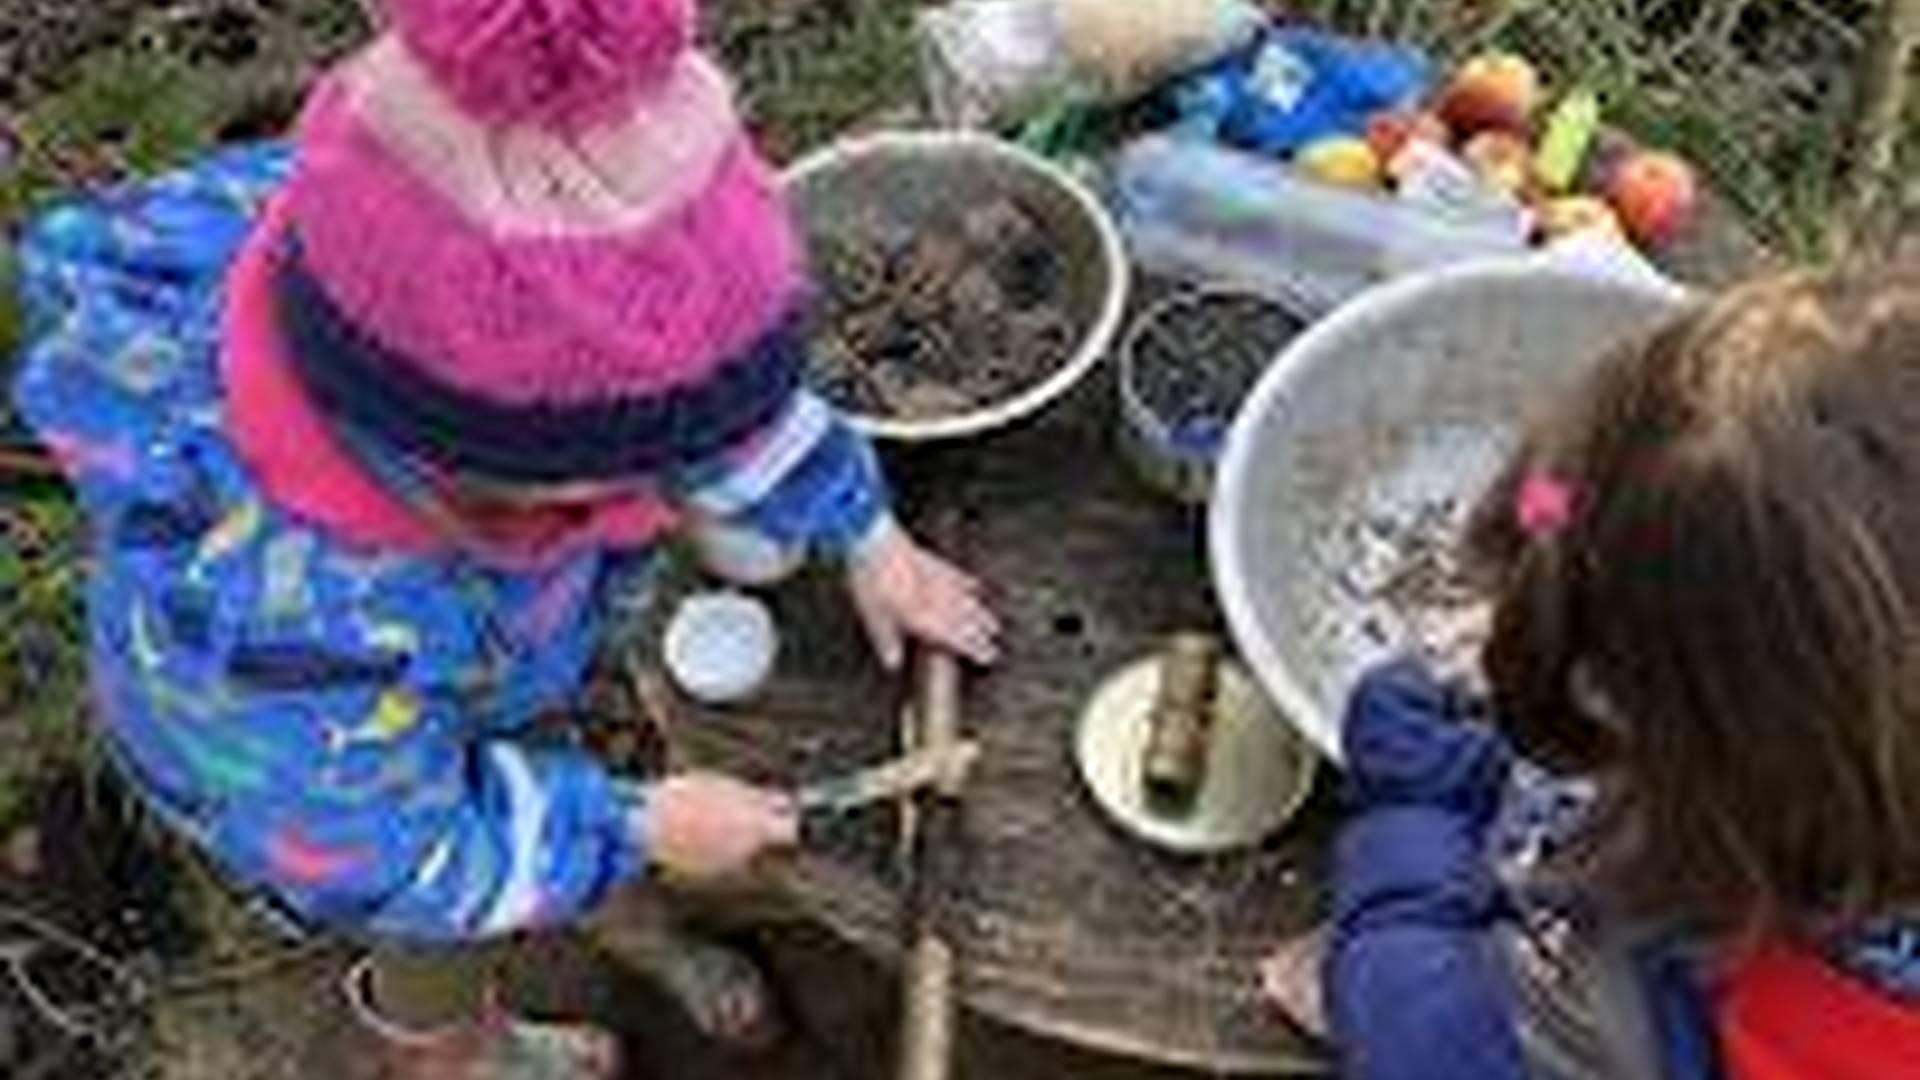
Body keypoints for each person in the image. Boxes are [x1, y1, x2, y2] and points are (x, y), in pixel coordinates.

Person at [9, 0, 999, 1075]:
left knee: (531, 769)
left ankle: (594, 889)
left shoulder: (426, 282)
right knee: (437, 924)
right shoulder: (268, 637)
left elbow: (710, 410)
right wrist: (632, 828)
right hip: (327, 786)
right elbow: (393, 853)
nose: (686, 477)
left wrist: (866, 533)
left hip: (477, 648)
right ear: (497, 473)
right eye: (633, 471)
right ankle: (449, 1046)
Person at [1262, 265, 1920, 1078]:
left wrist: (1416, 807)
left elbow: (1420, 1031)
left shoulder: (1666, 1021)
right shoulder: (1832, 799)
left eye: (1603, 682)